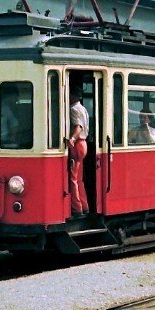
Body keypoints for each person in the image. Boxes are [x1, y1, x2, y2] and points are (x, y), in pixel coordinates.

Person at [67, 89, 89, 217]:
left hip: (77, 144)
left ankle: (77, 208)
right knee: (79, 179)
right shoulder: (82, 108)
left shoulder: (73, 109)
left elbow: (78, 126)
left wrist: (72, 139)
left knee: (72, 178)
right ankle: (84, 205)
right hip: (83, 144)